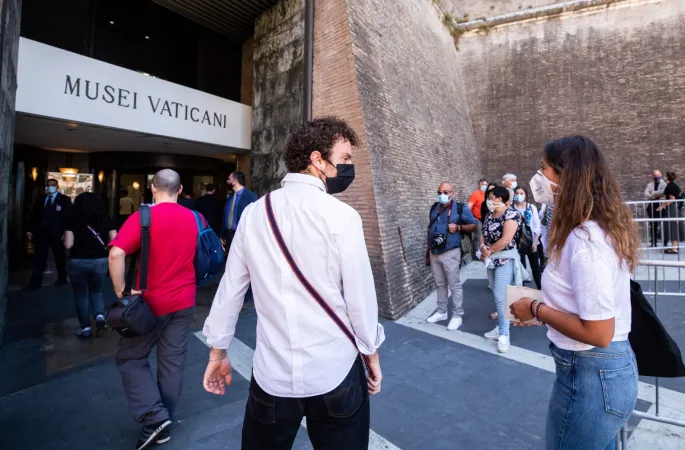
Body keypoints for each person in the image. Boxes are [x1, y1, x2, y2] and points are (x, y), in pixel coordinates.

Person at [202, 117, 384, 450]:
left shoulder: (254, 214)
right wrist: (370, 352)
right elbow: (360, 298)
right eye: (344, 158)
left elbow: (230, 290)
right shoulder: (343, 217)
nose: (348, 167)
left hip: (273, 374)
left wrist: (217, 351)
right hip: (335, 369)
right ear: (318, 159)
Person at [511, 135, 639, 450]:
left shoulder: (585, 241)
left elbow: (599, 331)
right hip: (594, 373)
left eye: (543, 170)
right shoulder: (591, 230)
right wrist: (545, 309)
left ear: (565, 177)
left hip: (591, 376)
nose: (538, 178)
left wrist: (536, 310)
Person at [108, 169, 199, 449]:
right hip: (184, 300)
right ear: (181, 189)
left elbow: (116, 252)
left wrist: (120, 290)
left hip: (151, 304)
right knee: (172, 364)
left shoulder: (143, 217)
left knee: (130, 358)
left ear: (152, 188)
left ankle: (154, 417)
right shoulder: (194, 217)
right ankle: (163, 423)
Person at [63, 193, 117, 338]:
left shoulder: (72, 220)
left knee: (81, 294)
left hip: (77, 261)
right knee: (97, 290)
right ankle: (99, 316)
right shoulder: (107, 219)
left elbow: (68, 244)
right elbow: (115, 242)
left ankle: (85, 327)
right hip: (100, 261)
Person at [426, 183, 477, 330]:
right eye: (440, 191)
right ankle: (441, 311)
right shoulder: (434, 207)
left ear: (452, 193)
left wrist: (459, 227)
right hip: (435, 251)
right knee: (440, 284)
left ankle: (457, 315)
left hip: (451, 251)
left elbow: (473, 225)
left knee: (454, 285)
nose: (442, 194)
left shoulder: (460, 208)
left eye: (446, 191)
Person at [480, 186, 522, 353]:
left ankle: (504, 334)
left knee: (500, 295)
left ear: (499, 198)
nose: (489, 200)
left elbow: (506, 239)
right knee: (496, 294)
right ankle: (501, 328)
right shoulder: (490, 215)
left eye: (491, 196)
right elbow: (483, 233)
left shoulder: (511, 214)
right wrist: (483, 247)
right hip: (491, 260)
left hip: (505, 258)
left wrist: (489, 250)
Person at [24, 178, 72, 290]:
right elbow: (34, 216)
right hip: (41, 233)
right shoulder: (41, 199)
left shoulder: (64, 200)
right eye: (48, 185)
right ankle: (35, 282)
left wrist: (66, 232)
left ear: (57, 186)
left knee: (59, 256)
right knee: (39, 257)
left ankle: (62, 278)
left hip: (57, 233)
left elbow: (68, 217)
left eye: (52, 185)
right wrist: (29, 229)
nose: (50, 187)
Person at [513, 187, 542, 289]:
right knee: (520, 268)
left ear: (525, 195)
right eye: (517, 193)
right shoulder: (511, 208)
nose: (519, 195)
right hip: (517, 242)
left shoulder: (531, 207)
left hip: (531, 242)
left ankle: (540, 290)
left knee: (535, 268)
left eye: (521, 193)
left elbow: (537, 226)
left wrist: (535, 242)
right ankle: (522, 291)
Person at [221, 171, 257, 251]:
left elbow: (255, 218)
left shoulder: (250, 197)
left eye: (229, 179)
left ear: (235, 181)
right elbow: (226, 215)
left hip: (242, 236)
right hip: (228, 235)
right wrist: (223, 235)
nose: (227, 181)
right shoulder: (230, 197)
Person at [656, 171, 683, 254]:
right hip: (675, 208)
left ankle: (674, 248)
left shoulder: (670, 187)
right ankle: (675, 247)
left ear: (667, 178)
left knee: (672, 227)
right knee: (674, 226)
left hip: (672, 209)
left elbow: (672, 199)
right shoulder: (674, 186)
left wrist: (662, 206)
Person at [644, 170, 666, 247]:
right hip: (652, 205)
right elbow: (646, 194)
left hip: (661, 205)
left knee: (664, 223)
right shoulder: (650, 184)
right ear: (653, 176)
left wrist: (653, 193)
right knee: (653, 224)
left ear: (660, 174)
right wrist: (654, 196)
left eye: (658, 175)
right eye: (655, 175)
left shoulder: (664, 184)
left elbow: (663, 192)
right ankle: (653, 242)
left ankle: (665, 242)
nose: (656, 176)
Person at [468, 179, 489, 257]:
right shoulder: (475, 194)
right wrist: (471, 219)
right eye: (483, 184)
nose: (485, 186)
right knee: (478, 236)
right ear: (479, 185)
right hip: (477, 219)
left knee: (485, 235)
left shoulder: (487, 195)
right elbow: (469, 206)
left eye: (486, 185)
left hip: (485, 219)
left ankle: (484, 251)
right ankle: (477, 255)